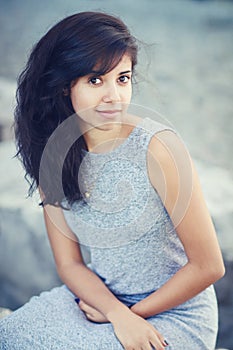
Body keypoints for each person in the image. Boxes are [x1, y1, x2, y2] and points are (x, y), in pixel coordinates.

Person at [0, 11, 225, 350]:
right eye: (95, 80)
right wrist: (115, 312)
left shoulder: (159, 149)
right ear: (64, 86)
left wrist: (128, 315)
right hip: (102, 301)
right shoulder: (54, 155)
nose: (114, 96)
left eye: (122, 78)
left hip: (178, 314)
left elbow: (209, 266)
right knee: (11, 336)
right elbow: (70, 263)